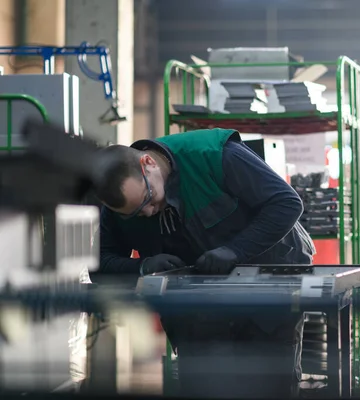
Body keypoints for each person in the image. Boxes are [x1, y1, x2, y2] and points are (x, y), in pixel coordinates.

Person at [93, 128, 315, 398]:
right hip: (198, 309)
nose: (148, 212)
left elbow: (287, 203)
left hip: (267, 289)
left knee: (269, 385)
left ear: (148, 163)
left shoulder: (214, 155)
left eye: (148, 200)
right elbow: (101, 263)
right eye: (136, 213)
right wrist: (143, 266)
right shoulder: (119, 200)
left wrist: (236, 250)